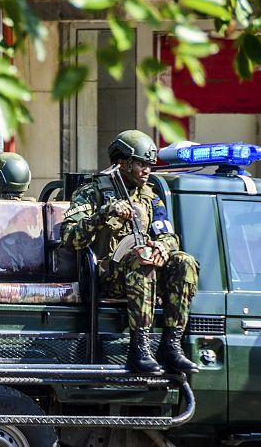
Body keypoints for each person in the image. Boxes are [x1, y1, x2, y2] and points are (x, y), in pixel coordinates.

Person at [61, 130, 199, 374]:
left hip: (143, 273)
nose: (147, 170)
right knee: (142, 259)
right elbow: (70, 239)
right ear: (122, 162)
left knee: (184, 262)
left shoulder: (150, 198)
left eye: (149, 165)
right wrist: (103, 214)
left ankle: (171, 345)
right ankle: (139, 348)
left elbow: (168, 235)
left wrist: (162, 247)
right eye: (141, 164)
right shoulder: (91, 193)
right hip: (105, 278)